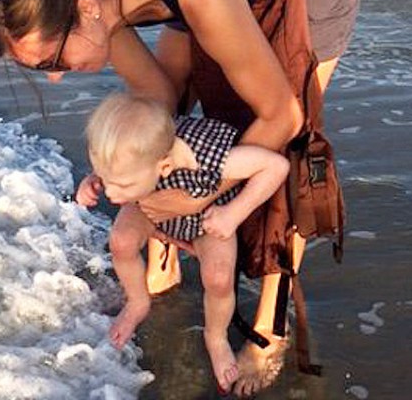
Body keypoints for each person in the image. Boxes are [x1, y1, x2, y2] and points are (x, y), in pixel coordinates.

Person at [0, 0, 364, 397]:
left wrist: (196, 195)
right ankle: (163, 252)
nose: (55, 76)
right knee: (169, 100)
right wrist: (140, 181)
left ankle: (271, 321)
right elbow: (158, 102)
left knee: (287, 131)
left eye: (50, 60)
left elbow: (282, 118)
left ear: (85, 10)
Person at [76, 93, 289, 392]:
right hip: (153, 206)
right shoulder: (133, 157)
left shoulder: (207, 156)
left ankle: (215, 337)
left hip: (207, 217)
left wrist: (233, 214)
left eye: (121, 185)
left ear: (163, 167)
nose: (110, 195)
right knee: (121, 241)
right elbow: (111, 171)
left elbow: (276, 166)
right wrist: (93, 181)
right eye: (108, 181)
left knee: (218, 279)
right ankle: (138, 302)